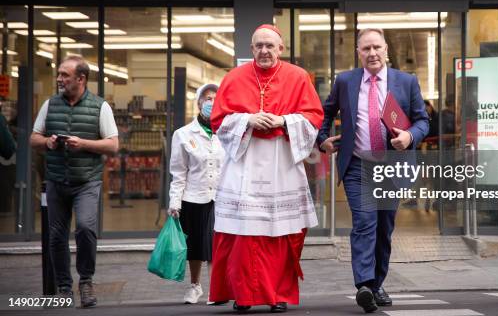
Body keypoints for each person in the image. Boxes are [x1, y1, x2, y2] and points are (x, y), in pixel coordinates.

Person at [208, 24, 323, 313]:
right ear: (251, 50)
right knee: (242, 235)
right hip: (244, 162)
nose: (264, 51)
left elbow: (313, 117)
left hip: (281, 161)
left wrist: (284, 121)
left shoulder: (298, 77)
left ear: (281, 49)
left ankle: (279, 295)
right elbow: (218, 121)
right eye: (259, 46)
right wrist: (247, 120)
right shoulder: (234, 78)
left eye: (270, 46)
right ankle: (243, 296)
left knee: (282, 233)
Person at [317, 28, 429, 313]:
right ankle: (364, 284)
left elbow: (422, 121)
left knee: (384, 228)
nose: (372, 53)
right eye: (366, 49)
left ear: (386, 50)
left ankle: (377, 284)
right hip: (357, 165)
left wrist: (410, 137)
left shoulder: (406, 82)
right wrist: (323, 139)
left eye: (377, 47)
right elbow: (325, 112)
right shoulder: (345, 81)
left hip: (392, 167)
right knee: (365, 221)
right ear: (358, 53)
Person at [30, 55, 119, 308]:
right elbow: (33, 138)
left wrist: (84, 144)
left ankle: (86, 282)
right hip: (57, 181)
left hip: (87, 182)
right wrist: (47, 142)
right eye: (59, 74)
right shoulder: (49, 105)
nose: (59, 79)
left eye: (64, 75)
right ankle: (64, 288)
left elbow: (113, 145)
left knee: (85, 228)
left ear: (80, 79)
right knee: (56, 236)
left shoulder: (100, 107)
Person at [168, 83, 227, 305]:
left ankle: (216, 288)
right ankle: (195, 285)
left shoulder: (228, 132)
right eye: (207, 98)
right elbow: (178, 172)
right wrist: (175, 202)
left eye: (215, 98)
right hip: (193, 197)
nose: (211, 102)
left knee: (216, 243)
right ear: (199, 102)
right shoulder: (182, 134)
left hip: (221, 197)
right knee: (195, 246)